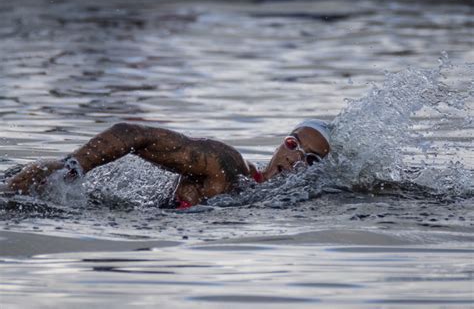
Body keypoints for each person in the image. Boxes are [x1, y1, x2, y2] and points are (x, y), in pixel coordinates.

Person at [5, 119, 331, 209]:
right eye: (293, 144)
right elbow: (132, 132)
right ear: (281, 143)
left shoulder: (279, 204)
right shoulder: (227, 166)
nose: (295, 160)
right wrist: (71, 170)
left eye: (311, 160)